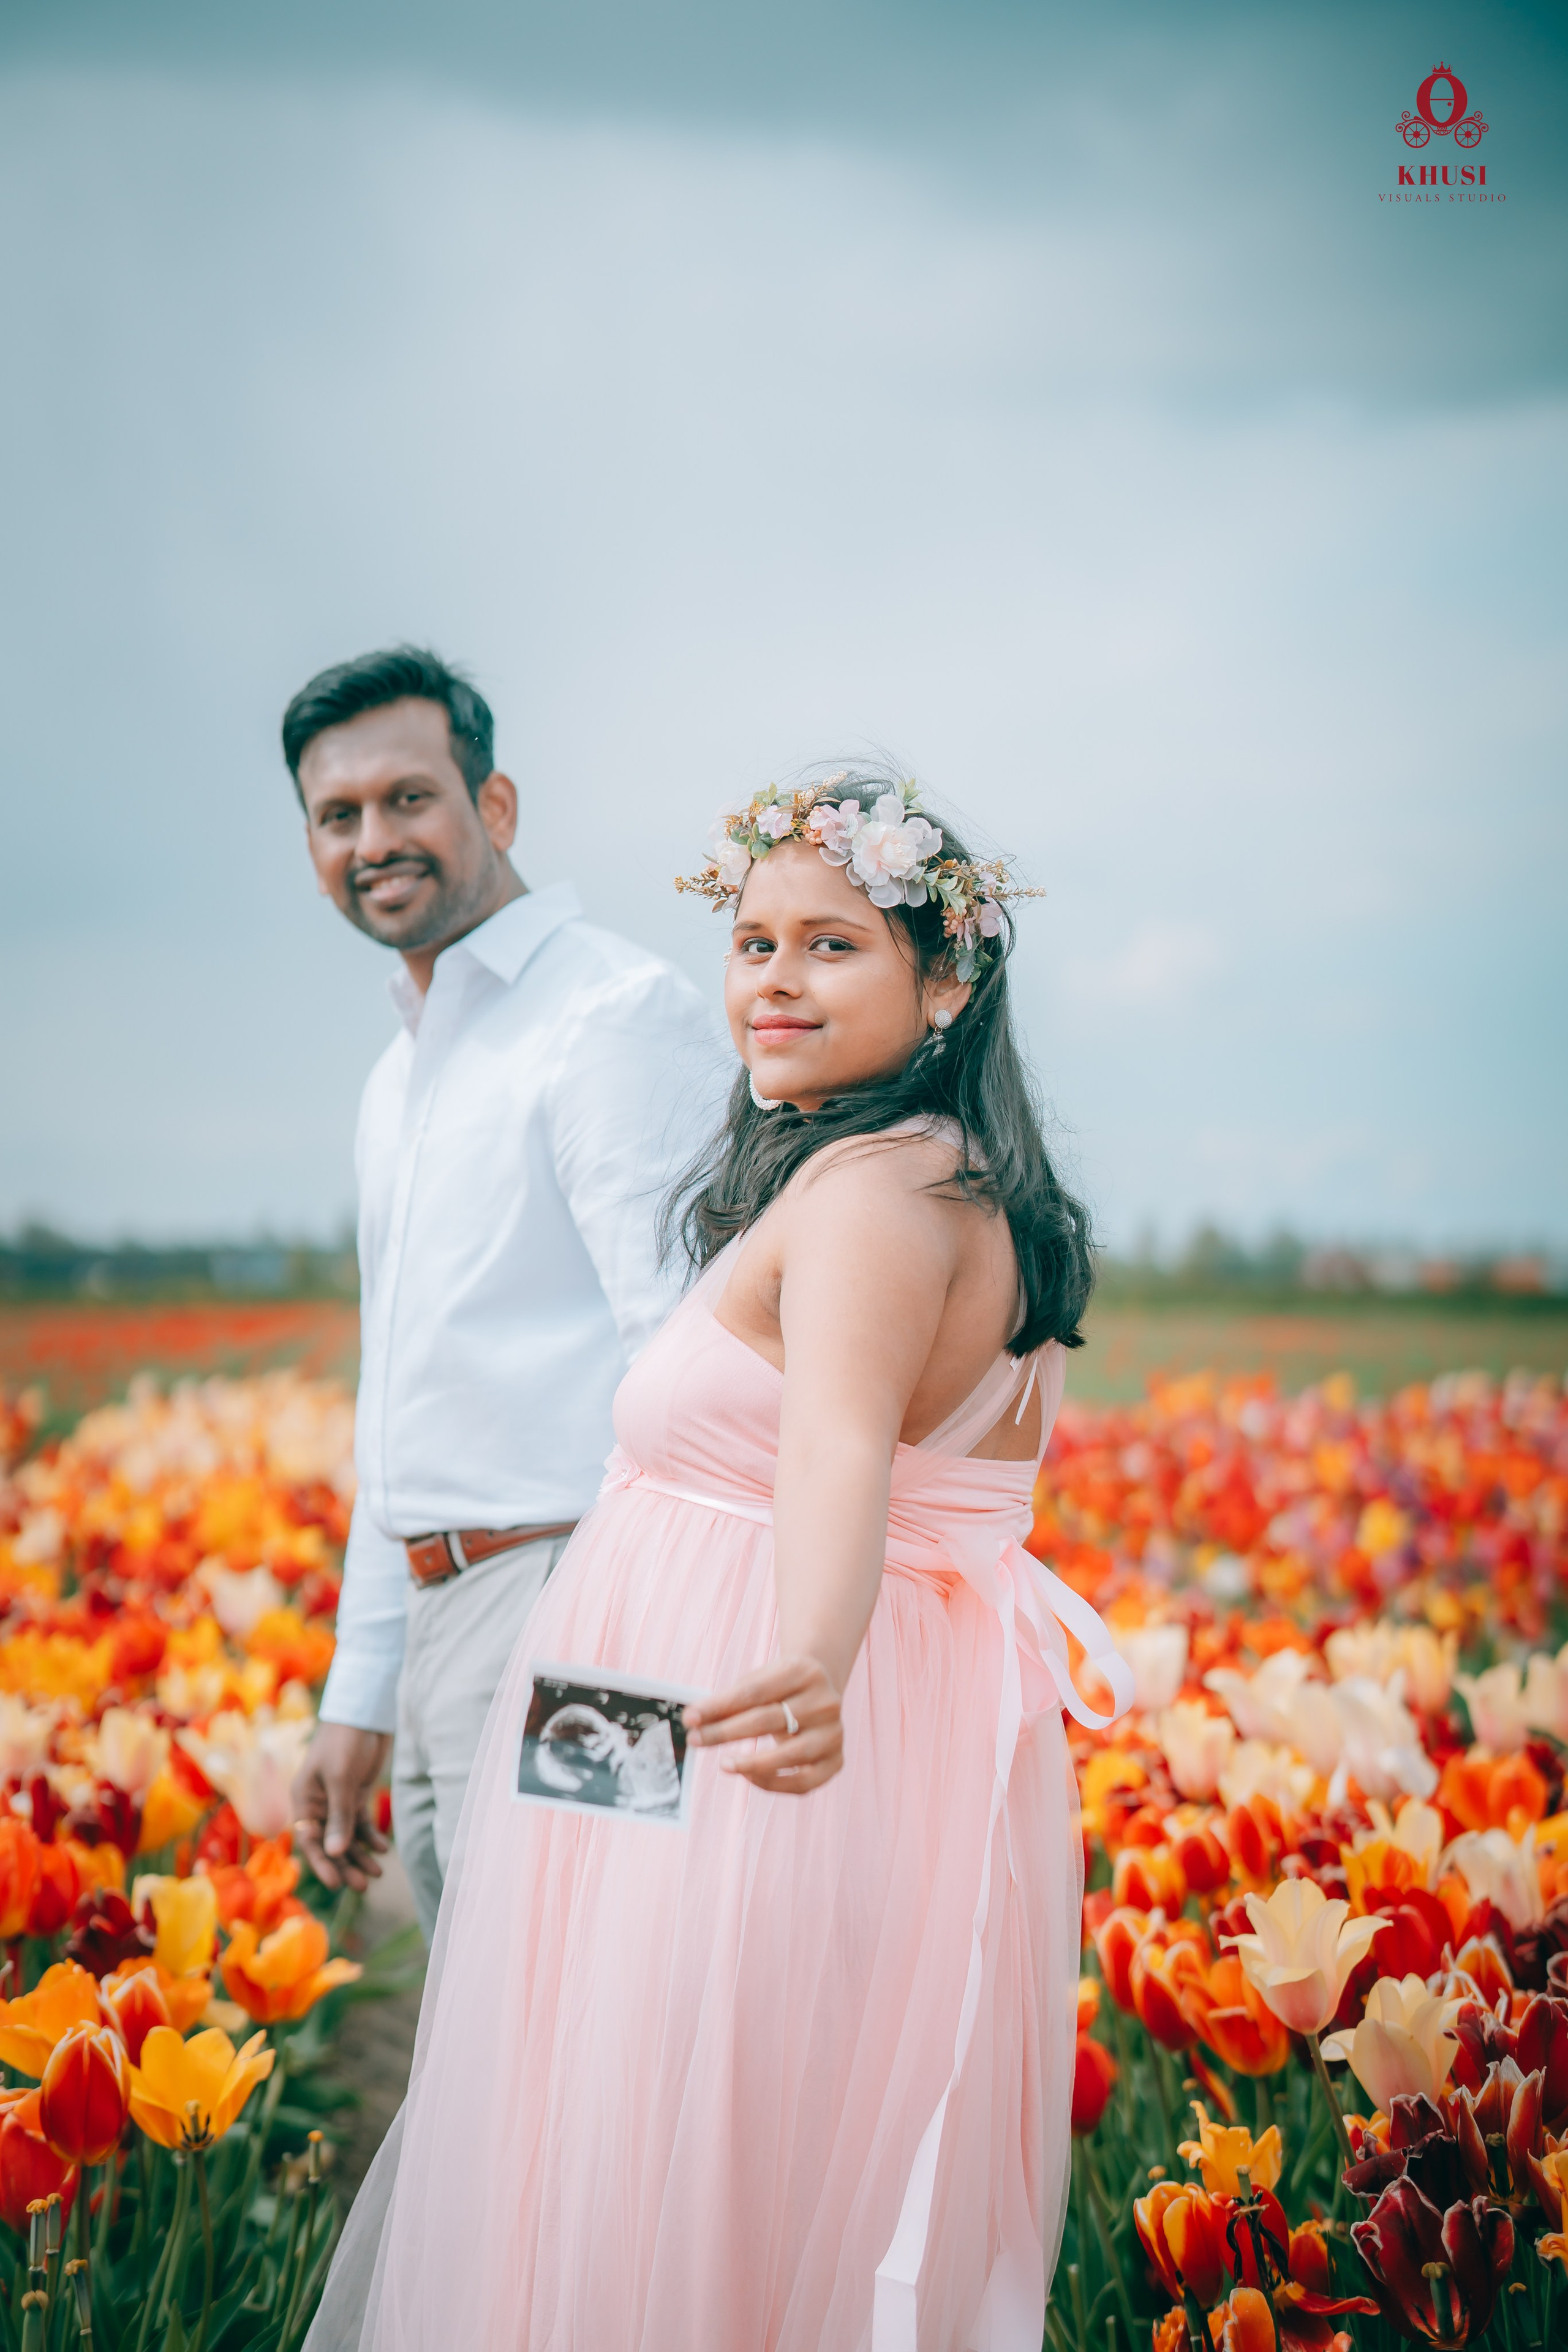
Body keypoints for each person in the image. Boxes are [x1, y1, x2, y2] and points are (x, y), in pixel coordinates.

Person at [306, 771, 1131, 2352]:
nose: (772, 980)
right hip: (673, 1716)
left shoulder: (884, 1198)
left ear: (945, 982)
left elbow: (837, 1453)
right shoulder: (887, 1175)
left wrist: (814, 1655)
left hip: (747, 1735)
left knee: (651, 2150)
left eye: (832, 946)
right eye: (753, 944)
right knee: (632, 2125)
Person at [282, 646, 718, 1942]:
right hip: (433, 1628)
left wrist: (633, 1679)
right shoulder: (397, 1075)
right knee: (486, 2061)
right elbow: (399, 1403)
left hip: (575, 1607)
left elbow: (684, 1375)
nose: (374, 839)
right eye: (336, 815)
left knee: (583, 2038)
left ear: (497, 807)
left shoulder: (609, 1016)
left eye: (409, 798)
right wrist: (360, 1688)